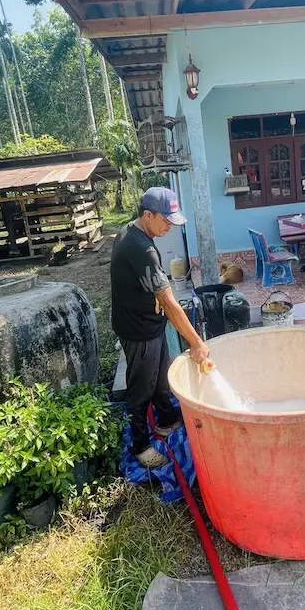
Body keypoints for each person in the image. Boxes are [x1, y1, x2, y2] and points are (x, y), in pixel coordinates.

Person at [111, 187, 210, 468]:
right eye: (166, 221)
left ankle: (166, 420)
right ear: (148, 215)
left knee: (161, 377)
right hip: (137, 329)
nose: (169, 227)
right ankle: (141, 445)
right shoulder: (141, 248)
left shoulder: (133, 230)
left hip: (147, 321)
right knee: (141, 389)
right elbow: (168, 301)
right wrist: (196, 342)